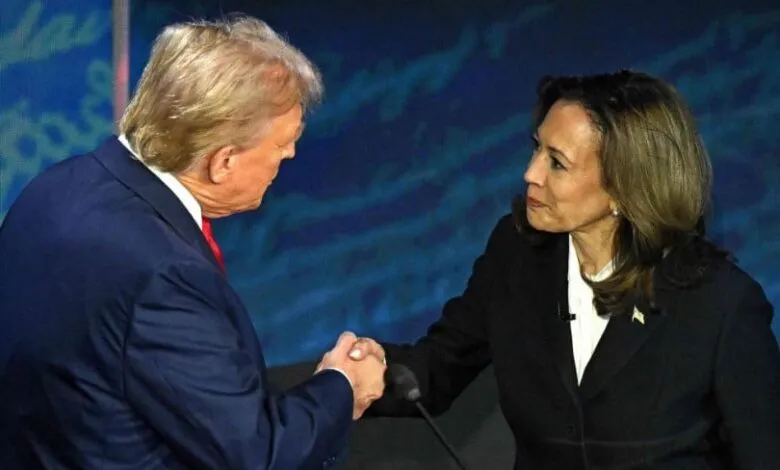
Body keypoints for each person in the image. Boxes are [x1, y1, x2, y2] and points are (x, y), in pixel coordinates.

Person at [0, 16, 386, 470]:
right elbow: (256, 455)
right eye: (283, 146)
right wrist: (342, 386)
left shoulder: (55, 185)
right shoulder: (165, 275)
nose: (290, 154)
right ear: (223, 162)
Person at [349, 70, 780, 469]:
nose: (530, 173)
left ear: (624, 187)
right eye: (536, 148)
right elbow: (440, 364)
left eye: (557, 162)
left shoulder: (720, 305)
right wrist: (364, 373)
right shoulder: (516, 255)